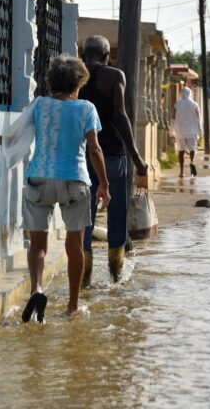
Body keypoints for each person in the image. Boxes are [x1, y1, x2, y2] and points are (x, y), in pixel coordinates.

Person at [0, 56, 110, 319]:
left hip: (39, 180)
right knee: (75, 244)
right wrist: (104, 185)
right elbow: (94, 149)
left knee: (37, 244)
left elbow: (14, 140)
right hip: (75, 182)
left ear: (52, 82)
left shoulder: (40, 105)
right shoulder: (87, 109)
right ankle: (72, 305)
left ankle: (37, 289)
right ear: (78, 83)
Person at [79, 35, 149, 283]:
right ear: (107, 55)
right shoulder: (113, 76)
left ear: (83, 54)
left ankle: (84, 277)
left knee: (84, 214)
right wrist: (137, 157)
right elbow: (120, 115)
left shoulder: (73, 76)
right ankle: (115, 275)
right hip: (113, 154)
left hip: (84, 154)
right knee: (116, 211)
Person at [173, 87, 203, 178]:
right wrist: (200, 131)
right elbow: (198, 119)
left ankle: (181, 172)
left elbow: (172, 118)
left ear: (181, 94)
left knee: (181, 151)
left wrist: (171, 131)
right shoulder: (195, 105)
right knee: (192, 149)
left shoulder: (176, 105)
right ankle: (192, 161)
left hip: (180, 131)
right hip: (192, 131)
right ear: (190, 94)